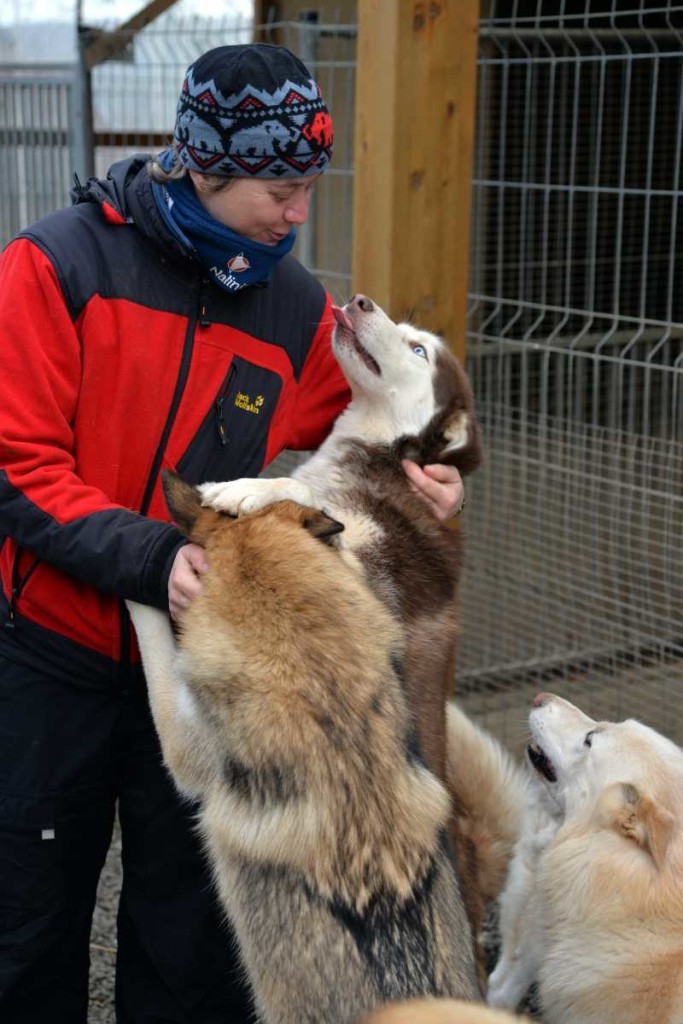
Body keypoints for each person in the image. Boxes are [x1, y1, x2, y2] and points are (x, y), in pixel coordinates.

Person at [0, 43, 464, 1023]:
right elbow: (17, 467)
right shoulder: (53, 265)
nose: (300, 212)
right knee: (28, 927)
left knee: (193, 946)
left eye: (309, 185)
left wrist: (427, 473)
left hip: (207, 669)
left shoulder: (293, 308)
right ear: (206, 164)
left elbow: (370, 421)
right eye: (280, 186)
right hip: (52, 654)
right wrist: (155, 555)